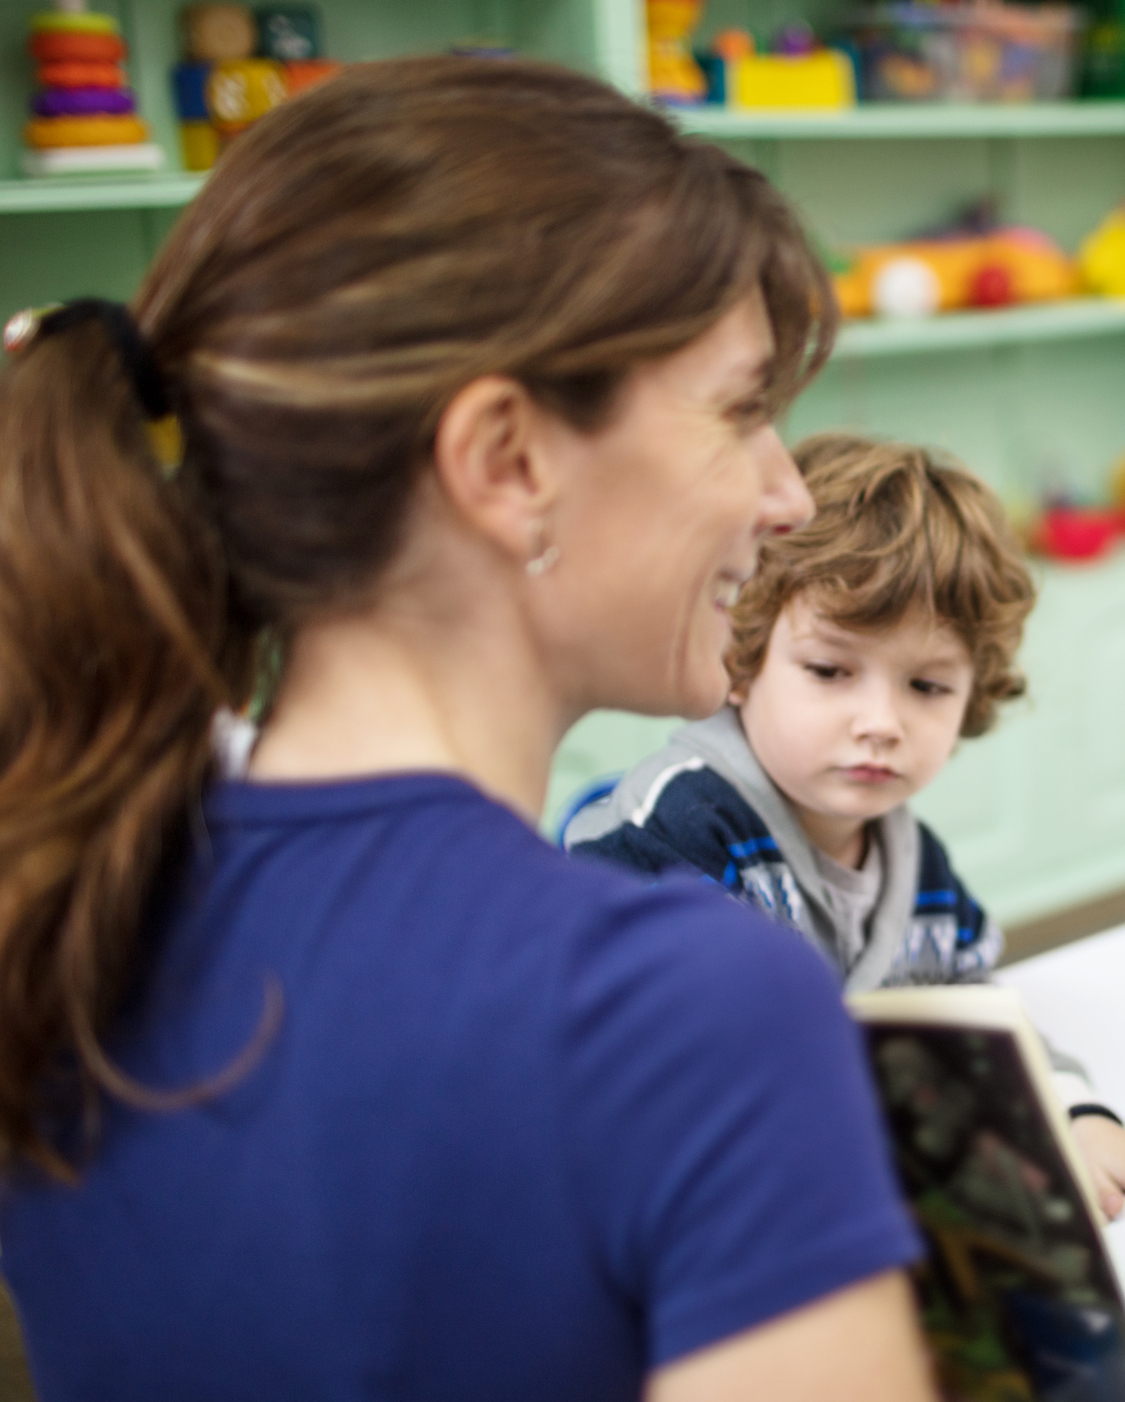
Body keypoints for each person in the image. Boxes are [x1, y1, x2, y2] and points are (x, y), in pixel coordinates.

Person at [0, 60, 937, 1402]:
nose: (786, 494)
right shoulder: (688, 1012)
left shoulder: (60, 893)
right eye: (741, 410)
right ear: (507, 462)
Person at [567, 433, 1125, 1223]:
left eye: (926, 684)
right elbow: (663, 1089)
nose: (881, 722)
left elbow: (966, 1008)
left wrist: (1073, 1116)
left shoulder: (915, 861)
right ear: (739, 657)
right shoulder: (674, 833)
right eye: (829, 671)